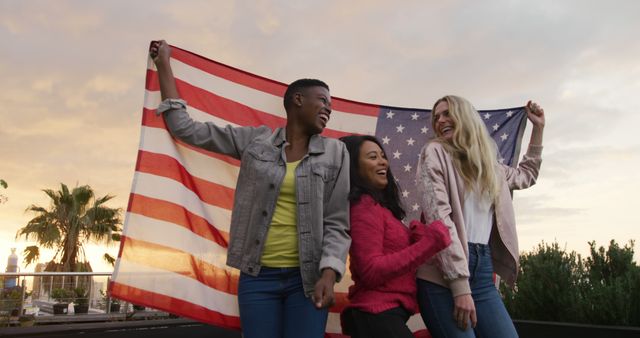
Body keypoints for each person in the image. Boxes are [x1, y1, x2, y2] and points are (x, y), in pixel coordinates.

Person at [149, 40, 351, 338]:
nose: (329, 109)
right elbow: (185, 128)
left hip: (307, 278)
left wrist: (329, 273)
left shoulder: (336, 153)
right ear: (297, 99)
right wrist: (164, 64)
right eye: (322, 100)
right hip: (258, 277)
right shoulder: (255, 142)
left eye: (330, 104)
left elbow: (337, 222)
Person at [415, 95, 545, 338]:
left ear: (466, 117)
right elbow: (439, 220)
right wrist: (460, 285)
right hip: (442, 275)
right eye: (436, 117)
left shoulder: (491, 167)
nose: (440, 120)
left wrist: (538, 128)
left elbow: (527, 175)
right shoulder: (434, 152)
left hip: (482, 272)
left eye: (447, 113)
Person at [339, 135, 452, 338]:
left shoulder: (380, 208)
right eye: (372, 157)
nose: (383, 161)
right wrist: (429, 242)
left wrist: (416, 234)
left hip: (385, 315)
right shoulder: (363, 206)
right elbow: (371, 270)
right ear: (354, 168)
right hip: (375, 315)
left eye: (383, 156)